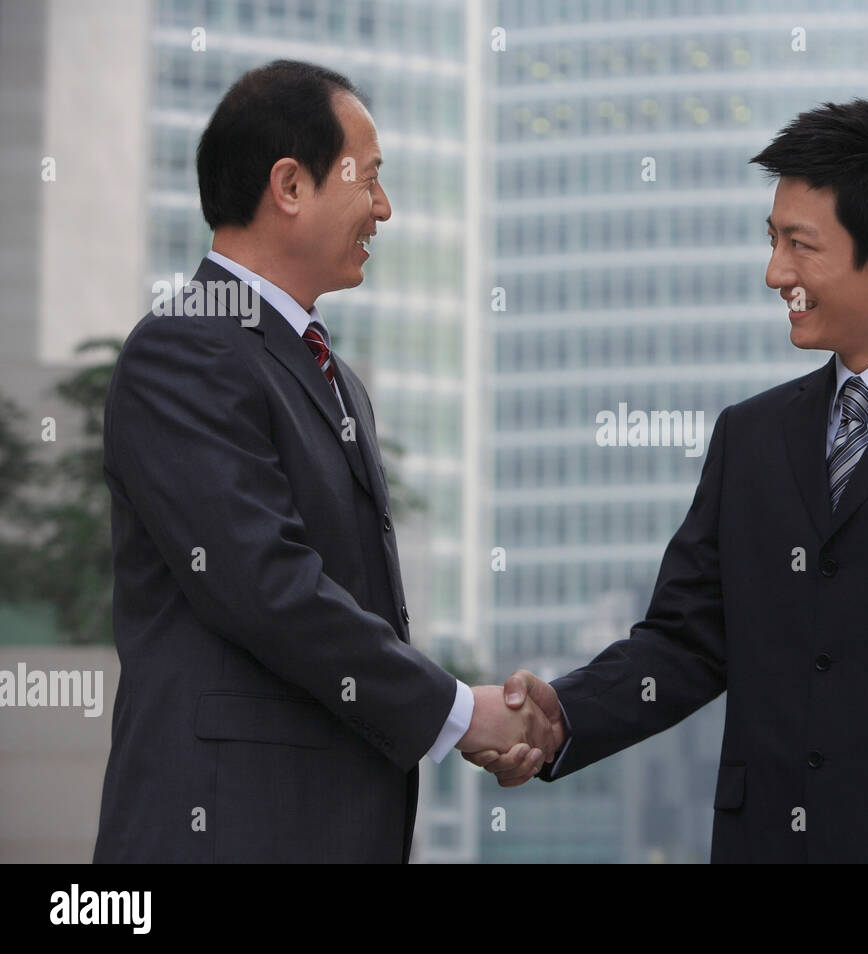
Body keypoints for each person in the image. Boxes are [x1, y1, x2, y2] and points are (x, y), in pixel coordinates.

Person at [469, 99, 868, 863]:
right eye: (772, 241)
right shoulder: (750, 436)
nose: (775, 271)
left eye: (800, 245)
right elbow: (686, 640)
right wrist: (561, 718)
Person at [92, 60, 556, 863]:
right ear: (291, 185)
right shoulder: (186, 349)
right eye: (369, 179)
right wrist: (458, 712)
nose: (384, 208)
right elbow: (266, 587)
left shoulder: (333, 379)